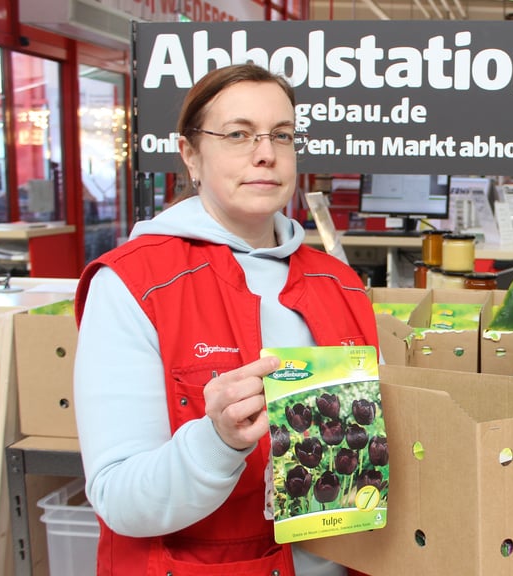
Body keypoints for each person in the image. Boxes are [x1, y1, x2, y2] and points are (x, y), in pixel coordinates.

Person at [73, 63, 378, 576]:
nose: (266, 153)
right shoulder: (133, 283)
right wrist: (216, 441)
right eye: (238, 134)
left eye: (282, 135)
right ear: (191, 155)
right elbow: (120, 500)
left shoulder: (340, 283)